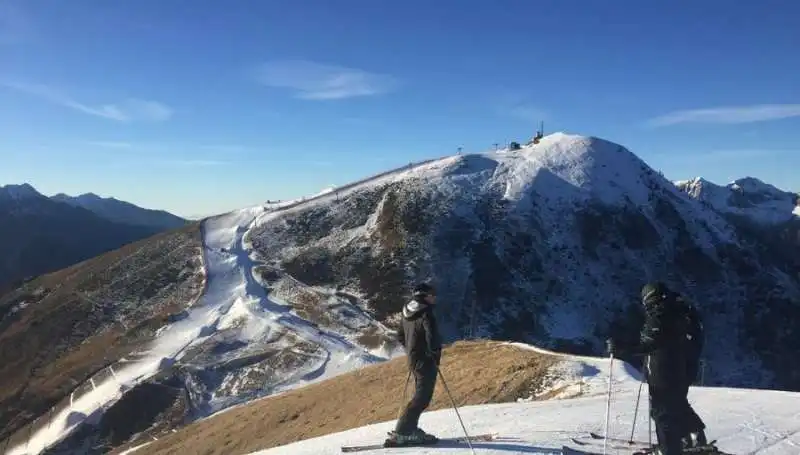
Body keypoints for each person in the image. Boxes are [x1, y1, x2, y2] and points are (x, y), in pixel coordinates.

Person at [607, 282, 691, 455]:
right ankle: (673, 446)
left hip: (664, 373)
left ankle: (670, 450)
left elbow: (650, 342)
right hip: (674, 370)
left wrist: (621, 347)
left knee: (663, 415)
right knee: (669, 412)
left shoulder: (661, 316)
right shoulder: (675, 312)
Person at [386, 282, 442, 447]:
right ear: (424, 296)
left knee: (420, 394)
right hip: (425, 360)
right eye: (432, 294)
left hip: (414, 359)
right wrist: (434, 354)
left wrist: (411, 351)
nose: (434, 297)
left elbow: (400, 336)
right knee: (423, 397)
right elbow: (433, 338)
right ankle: (403, 432)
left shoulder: (407, 311)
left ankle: (411, 429)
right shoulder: (427, 313)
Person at [676, 293, 707, 447]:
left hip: (682, 367)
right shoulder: (692, 321)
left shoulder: (687, 323)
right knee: (677, 402)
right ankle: (688, 435)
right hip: (686, 367)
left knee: (677, 402)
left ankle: (693, 434)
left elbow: (686, 346)